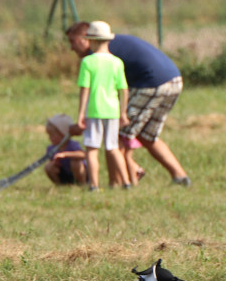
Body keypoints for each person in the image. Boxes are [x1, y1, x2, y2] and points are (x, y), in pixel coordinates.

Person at [66, 21, 191, 186]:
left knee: (116, 135)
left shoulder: (96, 56)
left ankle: (117, 183)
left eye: (72, 42)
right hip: (173, 80)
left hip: (151, 83)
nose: (71, 48)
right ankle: (180, 177)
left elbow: (99, 91)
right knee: (147, 135)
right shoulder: (112, 44)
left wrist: (83, 119)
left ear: (85, 39)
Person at [74, 21, 130, 190]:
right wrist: (123, 112)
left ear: (92, 41)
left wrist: (80, 114)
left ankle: (94, 185)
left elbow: (85, 90)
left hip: (95, 110)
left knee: (92, 149)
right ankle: (126, 182)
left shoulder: (87, 62)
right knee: (113, 147)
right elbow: (124, 90)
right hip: (112, 110)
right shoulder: (117, 62)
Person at [42, 114, 88, 185]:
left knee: (76, 163)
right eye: (49, 135)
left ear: (63, 134)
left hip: (80, 173)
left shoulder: (72, 145)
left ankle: (82, 184)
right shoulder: (51, 148)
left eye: (52, 135)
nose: (50, 138)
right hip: (65, 173)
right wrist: (55, 162)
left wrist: (65, 155)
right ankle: (61, 185)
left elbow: (84, 154)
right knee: (48, 167)